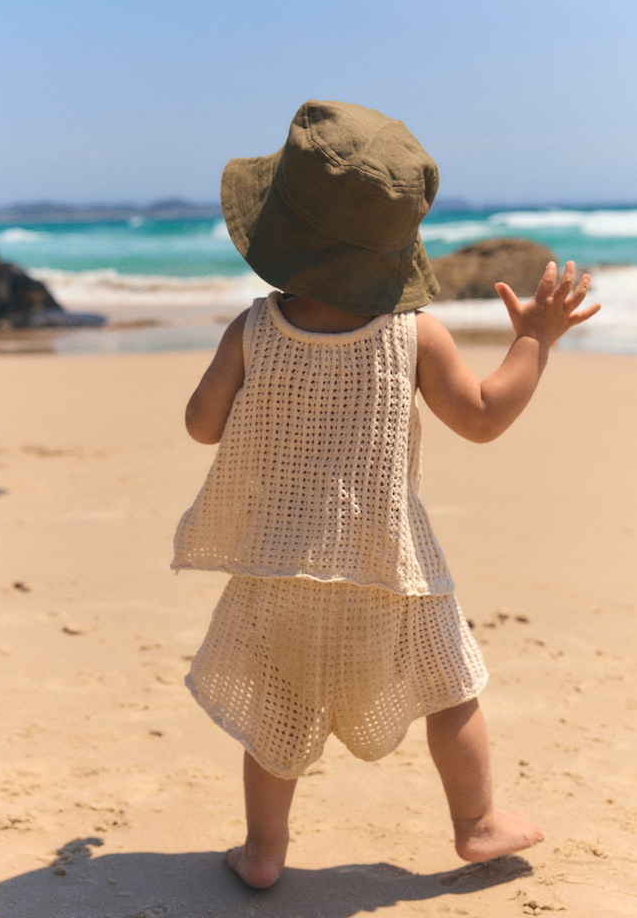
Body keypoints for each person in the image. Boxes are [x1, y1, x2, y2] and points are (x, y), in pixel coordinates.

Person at [171, 101, 600, 889]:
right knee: (452, 688)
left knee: (276, 711)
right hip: (390, 565)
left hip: (278, 566)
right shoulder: (415, 334)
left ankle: (263, 852)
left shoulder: (253, 328)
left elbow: (202, 426)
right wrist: (533, 341)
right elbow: (480, 419)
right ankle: (475, 825)